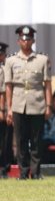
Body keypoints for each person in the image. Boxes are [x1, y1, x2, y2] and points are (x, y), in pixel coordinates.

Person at [3, 26, 52, 179]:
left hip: (37, 103)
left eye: (29, 39)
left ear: (33, 41)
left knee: (36, 140)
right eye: (23, 39)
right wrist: (9, 108)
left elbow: (47, 85)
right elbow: (9, 86)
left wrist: (48, 106)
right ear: (18, 41)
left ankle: (36, 172)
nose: (26, 42)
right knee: (21, 140)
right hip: (18, 104)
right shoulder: (11, 61)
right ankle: (23, 172)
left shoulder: (42, 59)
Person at [0, 41, 12, 177]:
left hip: (4, 109)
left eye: (1, 54)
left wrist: (3, 110)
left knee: (6, 142)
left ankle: (4, 168)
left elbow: (5, 91)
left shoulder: (7, 68)